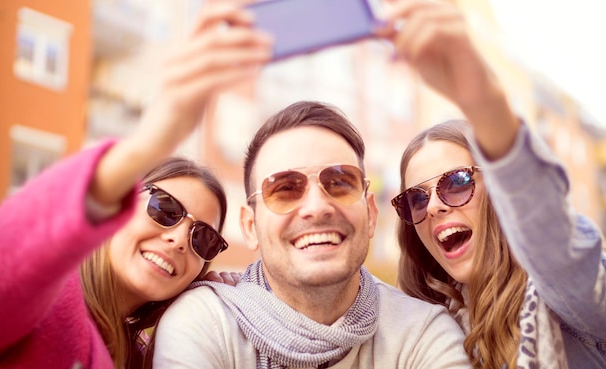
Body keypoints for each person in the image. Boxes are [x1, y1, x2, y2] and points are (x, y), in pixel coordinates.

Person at [347, 0, 606, 369]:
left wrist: (480, 97)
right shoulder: (428, 337)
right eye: (416, 199)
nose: (436, 206)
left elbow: (550, 232)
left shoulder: (577, 296)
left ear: (502, 192)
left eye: (457, 182)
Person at [0, 3, 272, 369]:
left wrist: (207, 304)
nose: (178, 239)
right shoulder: (45, 302)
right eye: (165, 209)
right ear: (119, 205)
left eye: (203, 238)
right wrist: (147, 144)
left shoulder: (149, 358)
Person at [152, 101, 472, 368]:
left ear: (371, 214)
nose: (317, 208)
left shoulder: (424, 333)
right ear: (250, 227)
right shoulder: (203, 324)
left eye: (340, 183)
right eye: (285, 189)